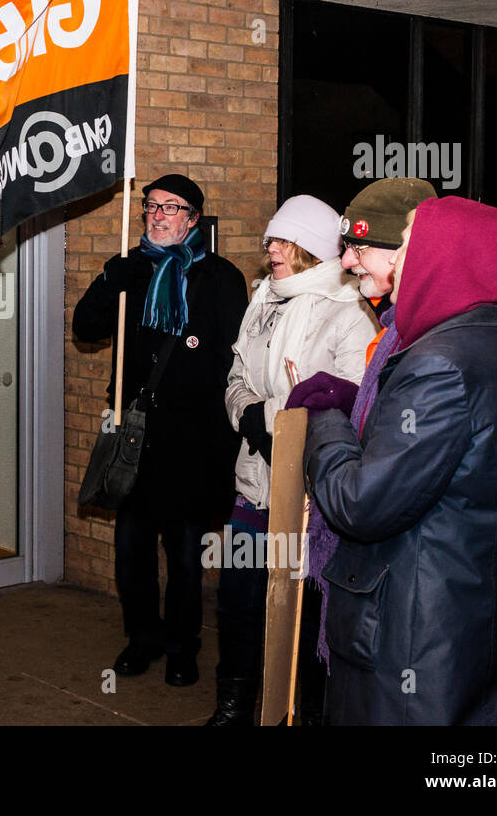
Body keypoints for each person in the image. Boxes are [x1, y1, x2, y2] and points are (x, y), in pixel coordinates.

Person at [295, 196, 497, 725]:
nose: (398, 259)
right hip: (462, 610)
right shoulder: (483, 341)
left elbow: (360, 502)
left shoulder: (438, 362)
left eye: (409, 245)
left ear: (447, 258)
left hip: (418, 632)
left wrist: (324, 417)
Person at [207, 194, 377, 726]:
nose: (270, 249)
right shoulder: (263, 299)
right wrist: (250, 415)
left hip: (310, 497)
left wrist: (278, 417)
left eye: (282, 241)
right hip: (253, 483)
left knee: (304, 616)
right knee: (238, 601)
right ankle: (234, 706)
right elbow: (235, 378)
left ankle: (302, 712)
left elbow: (354, 405)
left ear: (309, 247)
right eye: (271, 240)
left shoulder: (349, 314)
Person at [72, 174, 247, 687]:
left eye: (171, 208)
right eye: (151, 206)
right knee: (131, 549)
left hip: (194, 442)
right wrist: (110, 282)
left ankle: (182, 646)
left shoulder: (220, 278)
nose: (157, 214)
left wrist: (227, 443)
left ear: (193, 219)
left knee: (186, 553)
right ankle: (142, 638)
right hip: (136, 439)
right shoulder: (131, 270)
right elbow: (85, 328)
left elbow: (233, 362)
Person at [299, 177, 438, 675]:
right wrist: (356, 401)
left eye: (359, 247)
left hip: (418, 595)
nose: (345, 262)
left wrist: (328, 422)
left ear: (406, 251)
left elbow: (365, 499)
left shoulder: (432, 348)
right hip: (391, 579)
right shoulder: (399, 332)